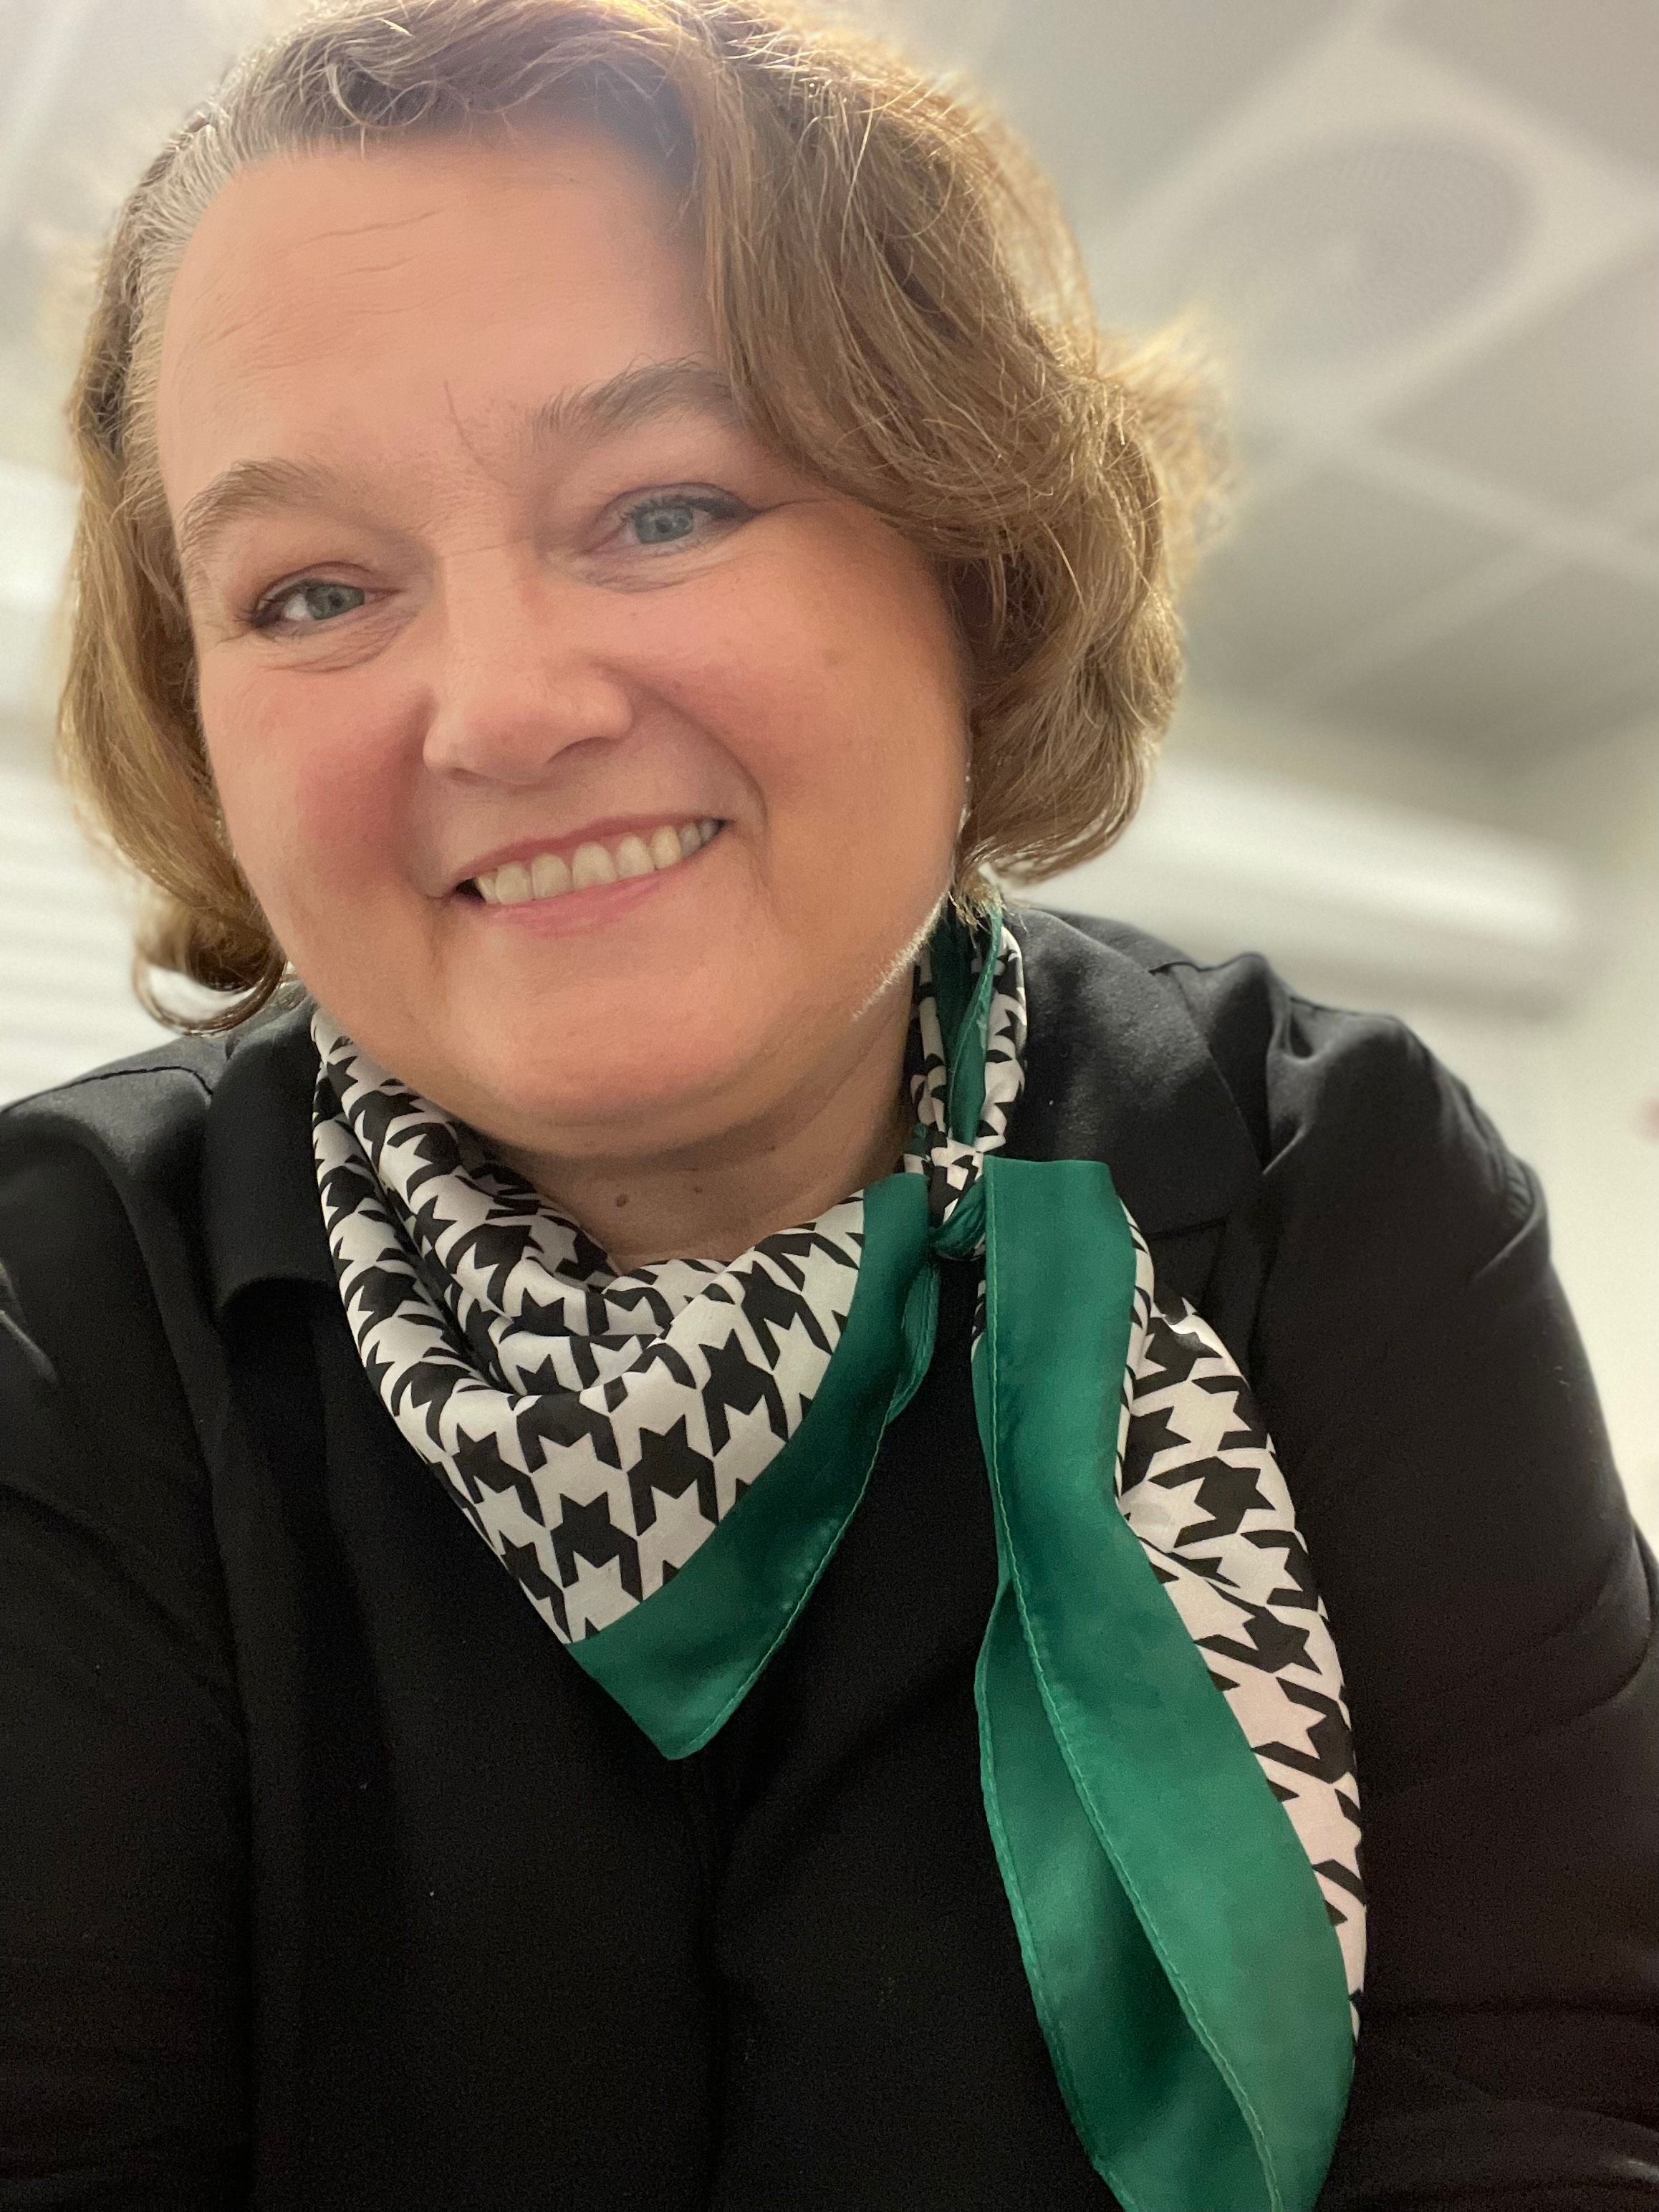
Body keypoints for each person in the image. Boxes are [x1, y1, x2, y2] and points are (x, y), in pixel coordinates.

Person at [2, 0, 1655, 2204]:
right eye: (311, 590)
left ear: (965, 558)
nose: (498, 709)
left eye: (665, 505)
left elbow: (1548, 2106)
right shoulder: (64, 1295)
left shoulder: (1325, 1176)